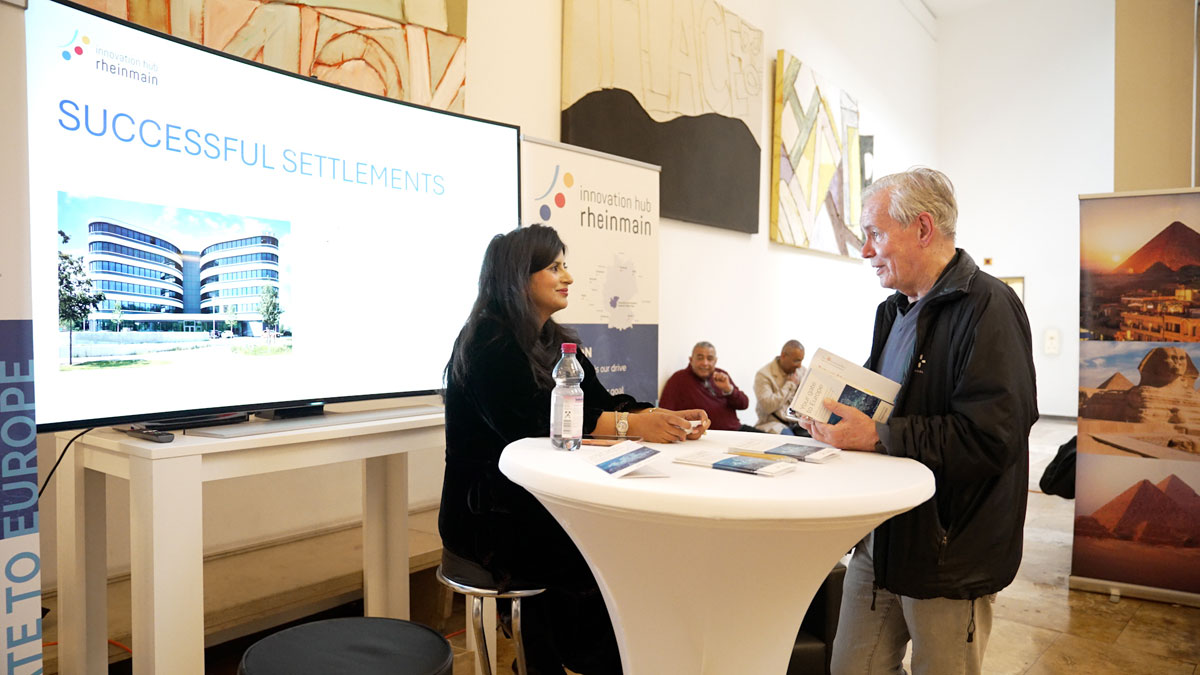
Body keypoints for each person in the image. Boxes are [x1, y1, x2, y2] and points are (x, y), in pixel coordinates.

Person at [439, 224, 710, 675]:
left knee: (620, 543)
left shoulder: (554, 341)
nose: (567, 277)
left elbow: (600, 401)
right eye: (554, 267)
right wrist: (633, 425)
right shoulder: (488, 341)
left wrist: (662, 417)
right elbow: (533, 422)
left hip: (538, 502)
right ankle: (578, 658)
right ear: (518, 277)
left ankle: (582, 655)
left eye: (565, 266)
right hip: (490, 516)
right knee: (605, 552)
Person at [798, 168, 1037, 675]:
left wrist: (878, 435)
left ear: (923, 228)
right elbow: (890, 409)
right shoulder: (893, 311)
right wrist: (835, 418)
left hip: (948, 550)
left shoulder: (990, 308)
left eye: (875, 233)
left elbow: (992, 437)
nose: (866, 251)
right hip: (883, 538)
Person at [659, 342, 760, 432]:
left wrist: (729, 390)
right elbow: (664, 413)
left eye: (710, 358)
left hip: (736, 430)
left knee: (769, 440)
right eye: (700, 358)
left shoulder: (721, 375)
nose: (705, 363)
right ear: (691, 360)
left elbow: (744, 404)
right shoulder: (679, 379)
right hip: (708, 435)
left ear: (715, 361)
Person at [753, 340, 808, 434]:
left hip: (797, 422)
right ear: (783, 356)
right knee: (789, 440)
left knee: (819, 436)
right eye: (796, 361)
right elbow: (768, 406)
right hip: (774, 423)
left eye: (801, 360)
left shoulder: (802, 371)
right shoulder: (763, 375)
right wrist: (790, 385)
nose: (799, 365)